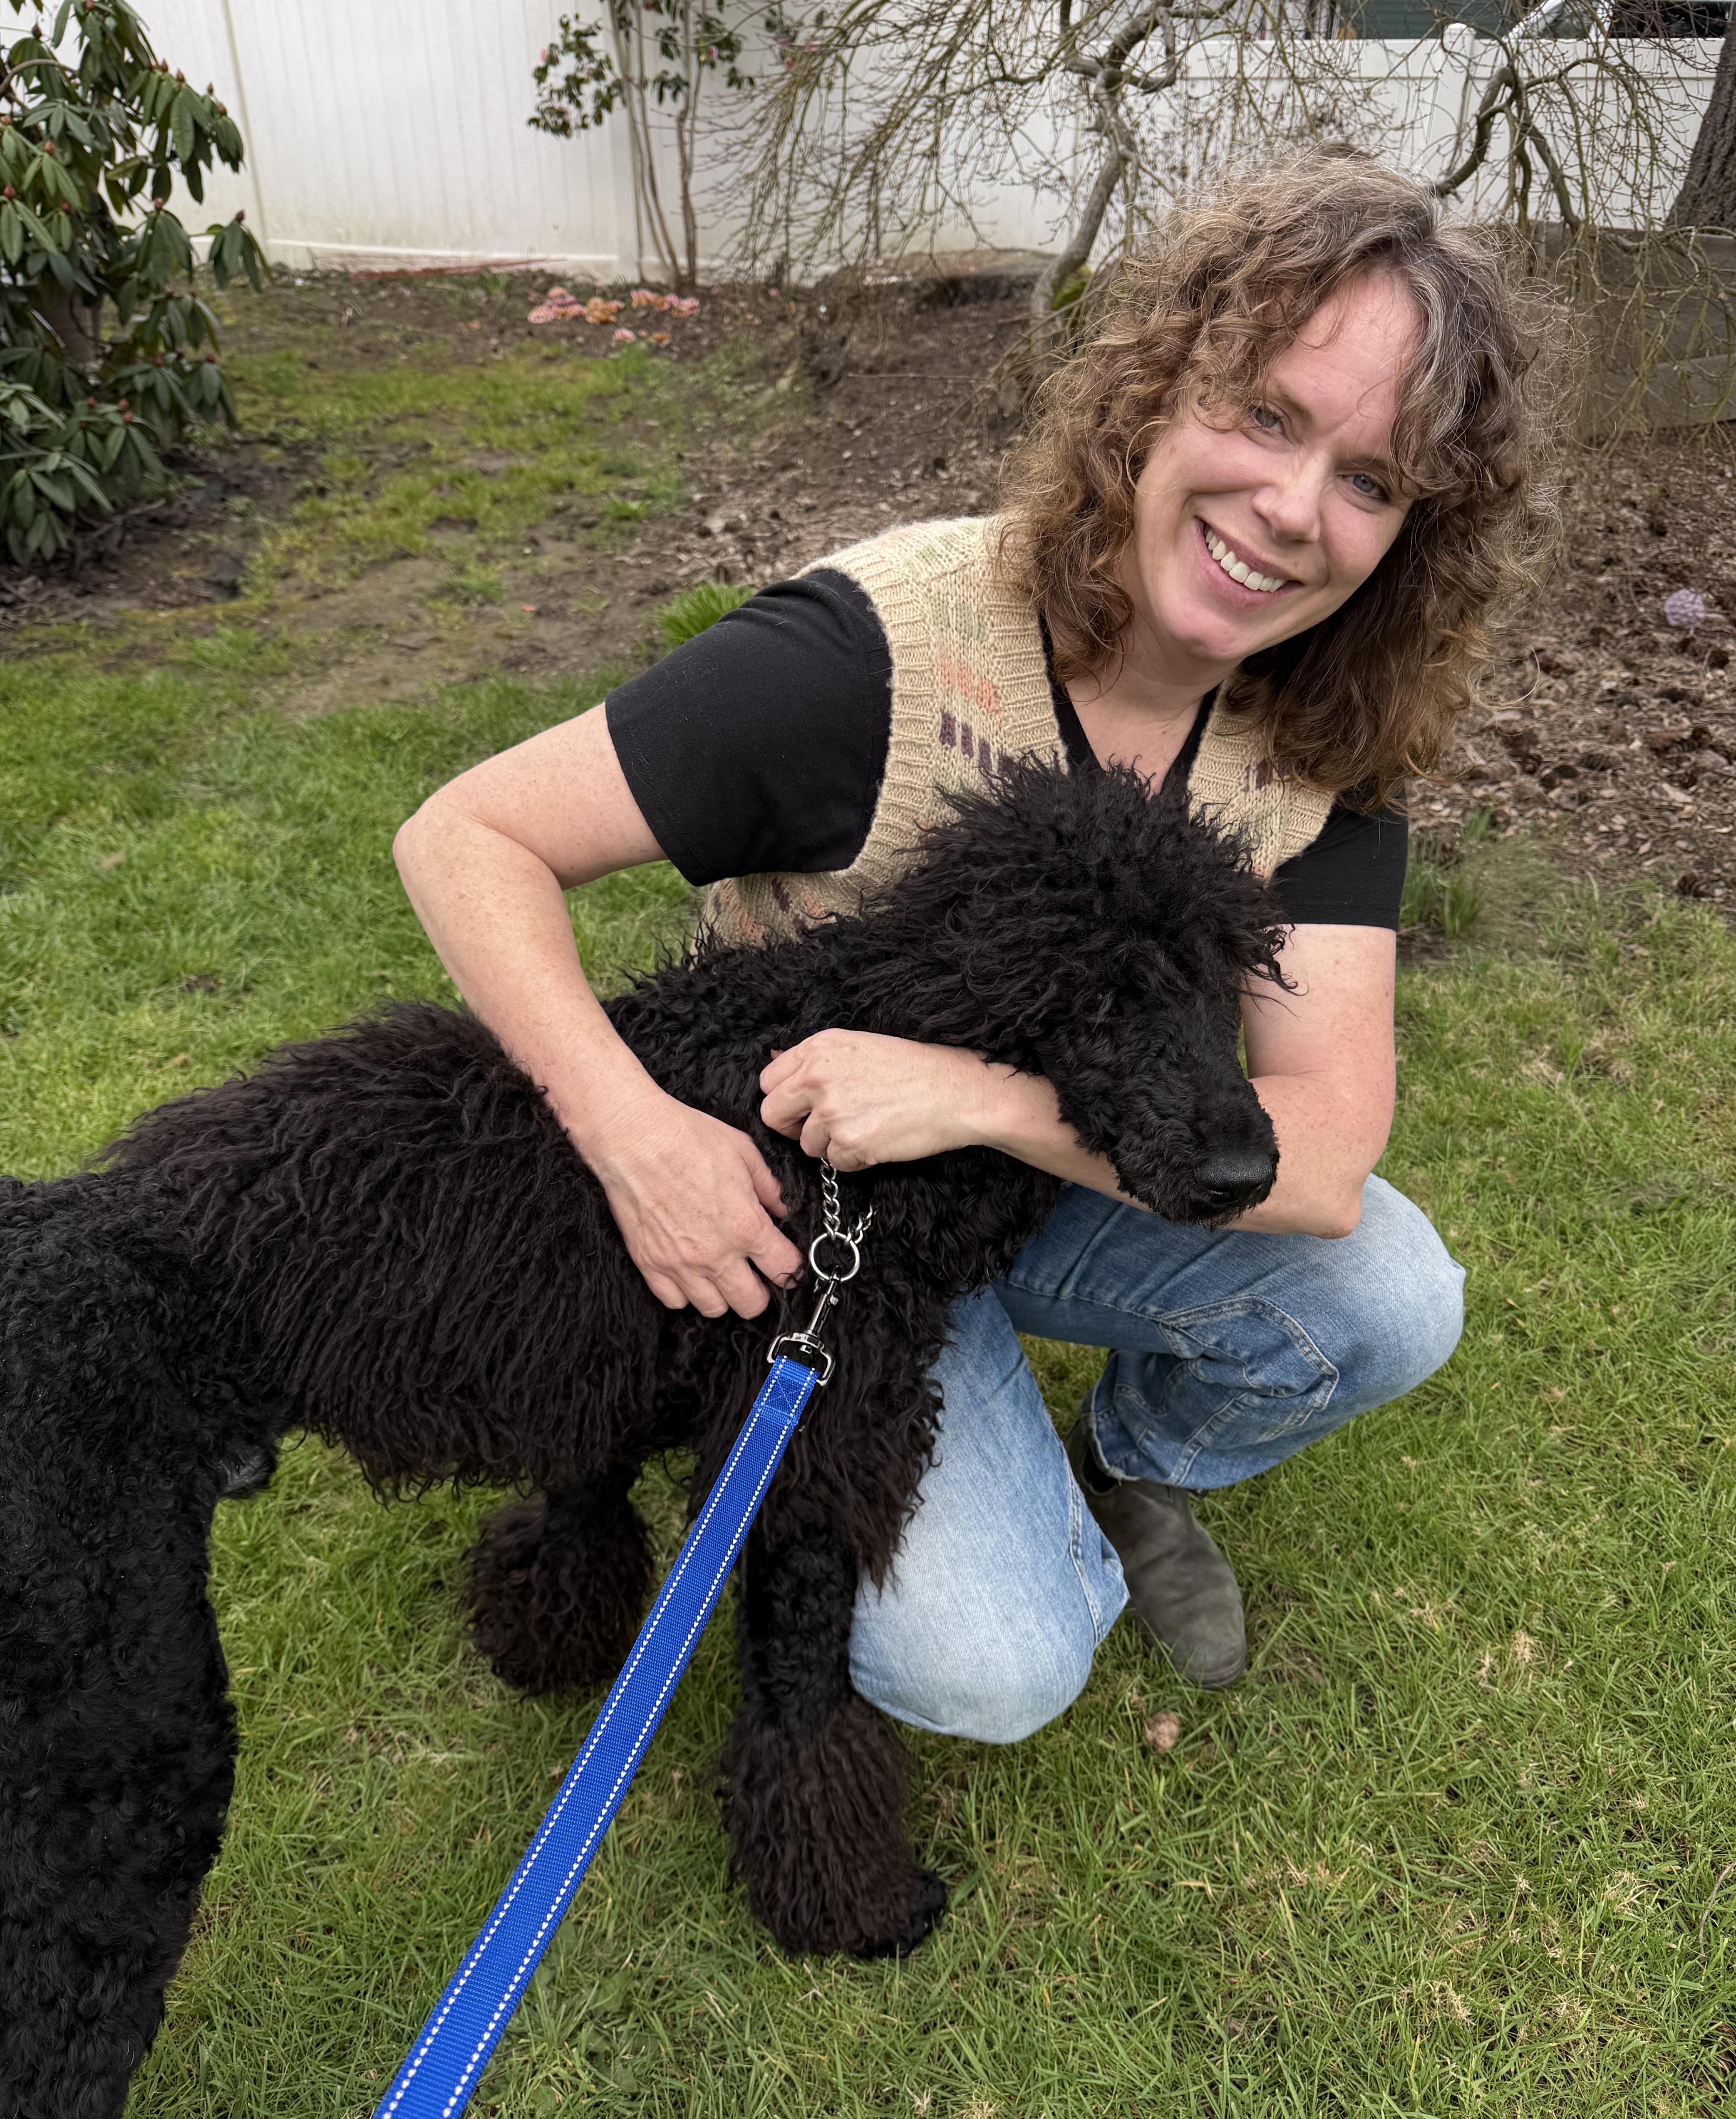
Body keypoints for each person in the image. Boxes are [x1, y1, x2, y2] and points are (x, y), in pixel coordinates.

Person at [393, 153, 1554, 1741]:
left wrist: (984, 1102)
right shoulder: (875, 652)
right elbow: (465, 837)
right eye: (1269, 416)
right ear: (1155, 396)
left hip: (1047, 1171)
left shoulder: (1323, 746)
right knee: (996, 1670)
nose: (1293, 510)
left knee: (1390, 1293)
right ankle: (814, 1425)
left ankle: (1122, 1469)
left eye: (1369, 480)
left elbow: (1328, 1155)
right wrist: (633, 1133)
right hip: (814, 1206)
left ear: (1412, 532)